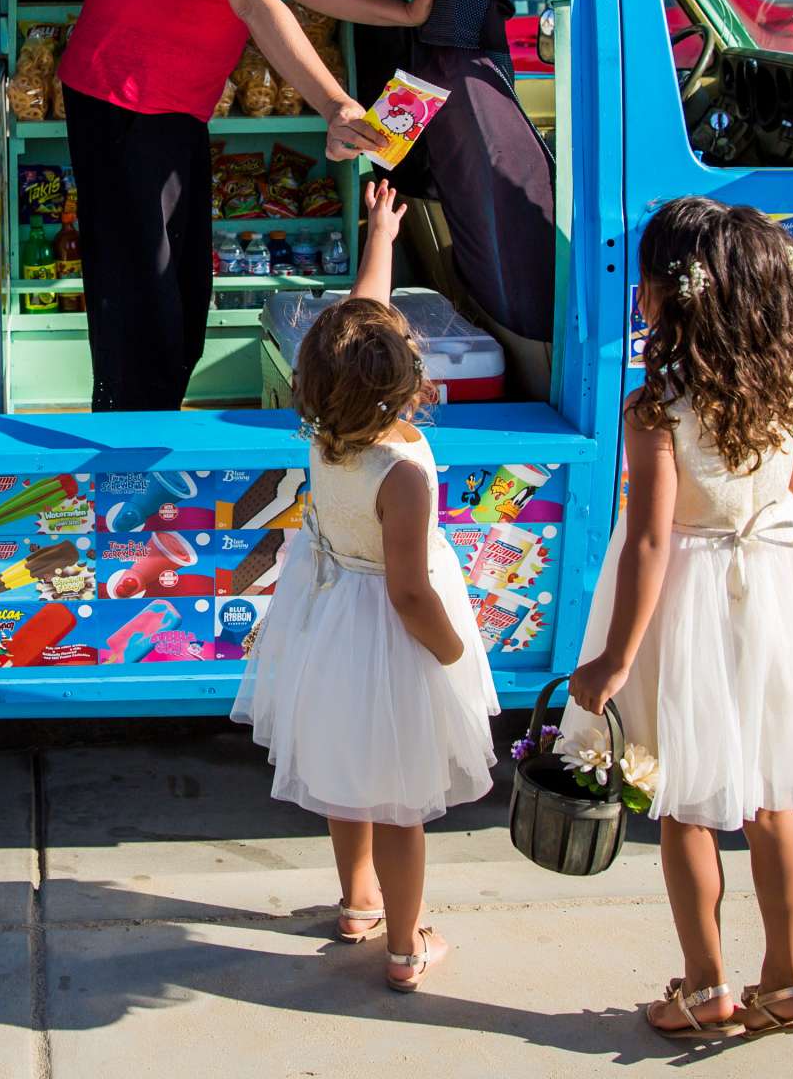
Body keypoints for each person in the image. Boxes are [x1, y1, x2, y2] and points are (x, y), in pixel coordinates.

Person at [564, 197, 793, 1041]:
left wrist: (615, 660)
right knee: (776, 801)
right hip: (783, 579)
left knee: (688, 803)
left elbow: (651, 541)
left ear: (673, 292)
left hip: (693, 596)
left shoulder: (658, 401)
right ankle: (789, 982)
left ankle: (706, 988)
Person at [59, 0, 447, 411]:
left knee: (178, 306)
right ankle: (128, 464)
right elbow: (257, 0)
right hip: (125, 99)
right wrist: (336, 104)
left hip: (167, 108)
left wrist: (406, 14)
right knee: (145, 313)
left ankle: (148, 439)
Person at [232, 179, 498, 992]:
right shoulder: (403, 468)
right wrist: (453, 652)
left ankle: (356, 902)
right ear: (407, 380)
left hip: (326, 620)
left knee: (346, 771)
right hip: (390, 632)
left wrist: (381, 233)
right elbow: (413, 590)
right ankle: (408, 945)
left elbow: (355, 325)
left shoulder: (324, 430)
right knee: (403, 805)